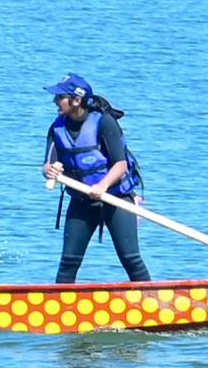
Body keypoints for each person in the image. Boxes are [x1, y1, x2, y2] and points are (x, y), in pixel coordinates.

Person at [45, 76, 150, 283]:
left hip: (117, 198)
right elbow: (48, 163)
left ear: (77, 100)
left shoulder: (104, 123)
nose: (55, 101)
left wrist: (102, 186)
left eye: (60, 96)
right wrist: (50, 170)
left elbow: (120, 164)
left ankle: (153, 305)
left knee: (131, 259)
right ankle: (61, 310)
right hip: (82, 201)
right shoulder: (56, 128)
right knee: (68, 262)